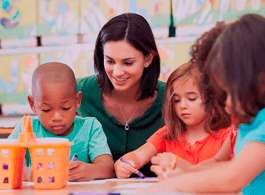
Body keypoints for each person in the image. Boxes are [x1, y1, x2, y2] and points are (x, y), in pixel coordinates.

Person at [143, 14, 265, 194]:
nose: (227, 106)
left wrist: (172, 185)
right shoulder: (242, 124)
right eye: (220, 96)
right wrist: (187, 169)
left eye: (229, 94)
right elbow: (220, 163)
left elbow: (233, 178)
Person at [76, 13, 165, 177]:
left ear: (148, 58)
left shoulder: (172, 97)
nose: (117, 72)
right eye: (110, 61)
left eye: (128, 63)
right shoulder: (79, 91)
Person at [114, 62, 231, 179]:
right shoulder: (167, 134)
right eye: (176, 100)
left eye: (191, 98)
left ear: (213, 99)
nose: (182, 106)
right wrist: (123, 164)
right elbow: (138, 156)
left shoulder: (228, 136)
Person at [151, 22, 234, 178]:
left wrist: (183, 174)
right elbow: (217, 162)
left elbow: (234, 177)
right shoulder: (239, 126)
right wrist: (186, 169)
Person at [8, 62, 114, 182]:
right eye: (46, 110)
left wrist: (90, 171)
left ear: (77, 100)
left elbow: (109, 168)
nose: (57, 117)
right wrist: (27, 174)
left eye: (66, 108)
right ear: (32, 104)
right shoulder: (26, 128)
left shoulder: (90, 127)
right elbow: (4, 162)